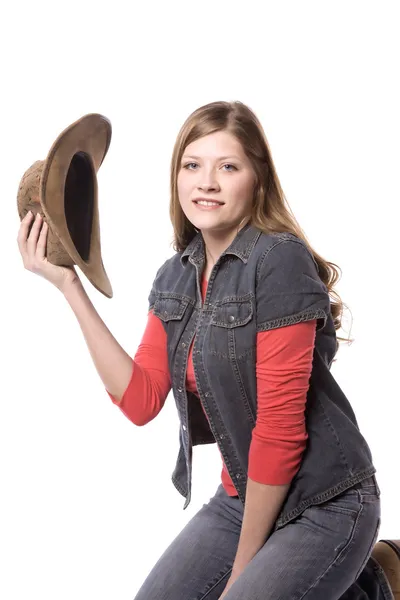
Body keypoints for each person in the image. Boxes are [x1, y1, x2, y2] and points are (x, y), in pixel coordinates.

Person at [17, 101, 396, 599]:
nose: (206, 182)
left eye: (228, 166)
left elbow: (280, 433)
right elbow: (140, 400)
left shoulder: (279, 260)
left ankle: (374, 577)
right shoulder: (176, 276)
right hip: (243, 496)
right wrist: (69, 287)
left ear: (256, 179)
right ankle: (366, 587)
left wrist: (242, 571)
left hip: (326, 501)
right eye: (192, 165)